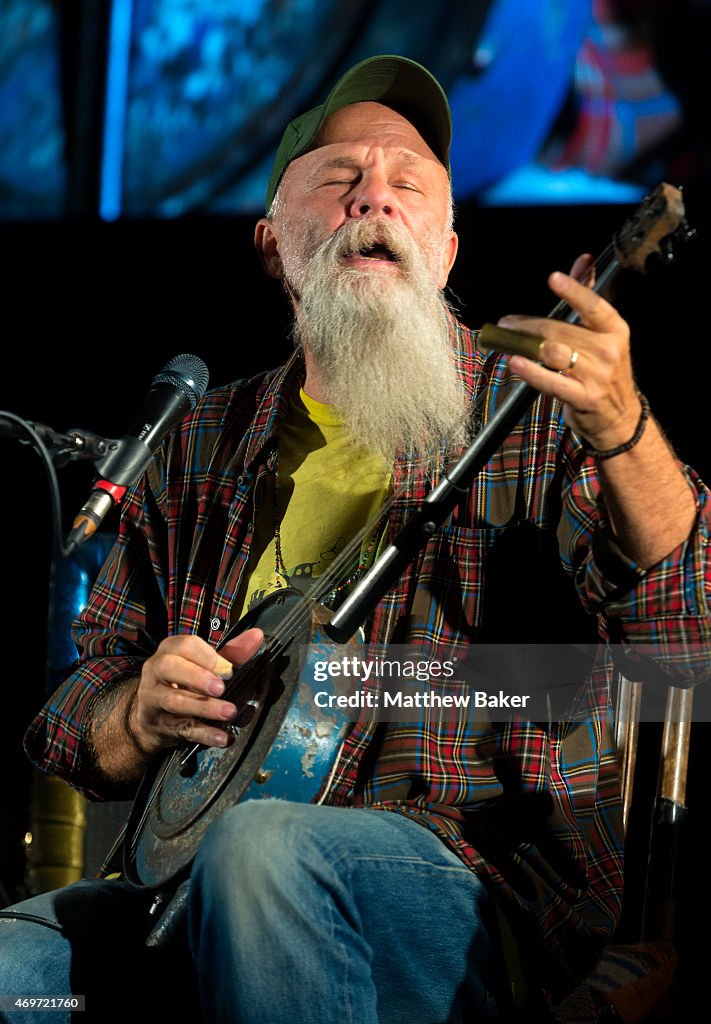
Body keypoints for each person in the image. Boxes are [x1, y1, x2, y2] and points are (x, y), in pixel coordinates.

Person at [1, 53, 709, 1024]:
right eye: (339, 179)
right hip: (178, 895)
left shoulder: (533, 413)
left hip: (461, 891)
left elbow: (687, 620)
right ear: (270, 242)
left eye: (408, 184)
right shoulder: (201, 440)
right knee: (12, 968)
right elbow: (70, 711)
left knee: (263, 851)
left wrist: (627, 433)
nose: (374, 196)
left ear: (449, 248)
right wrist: (139, 712)